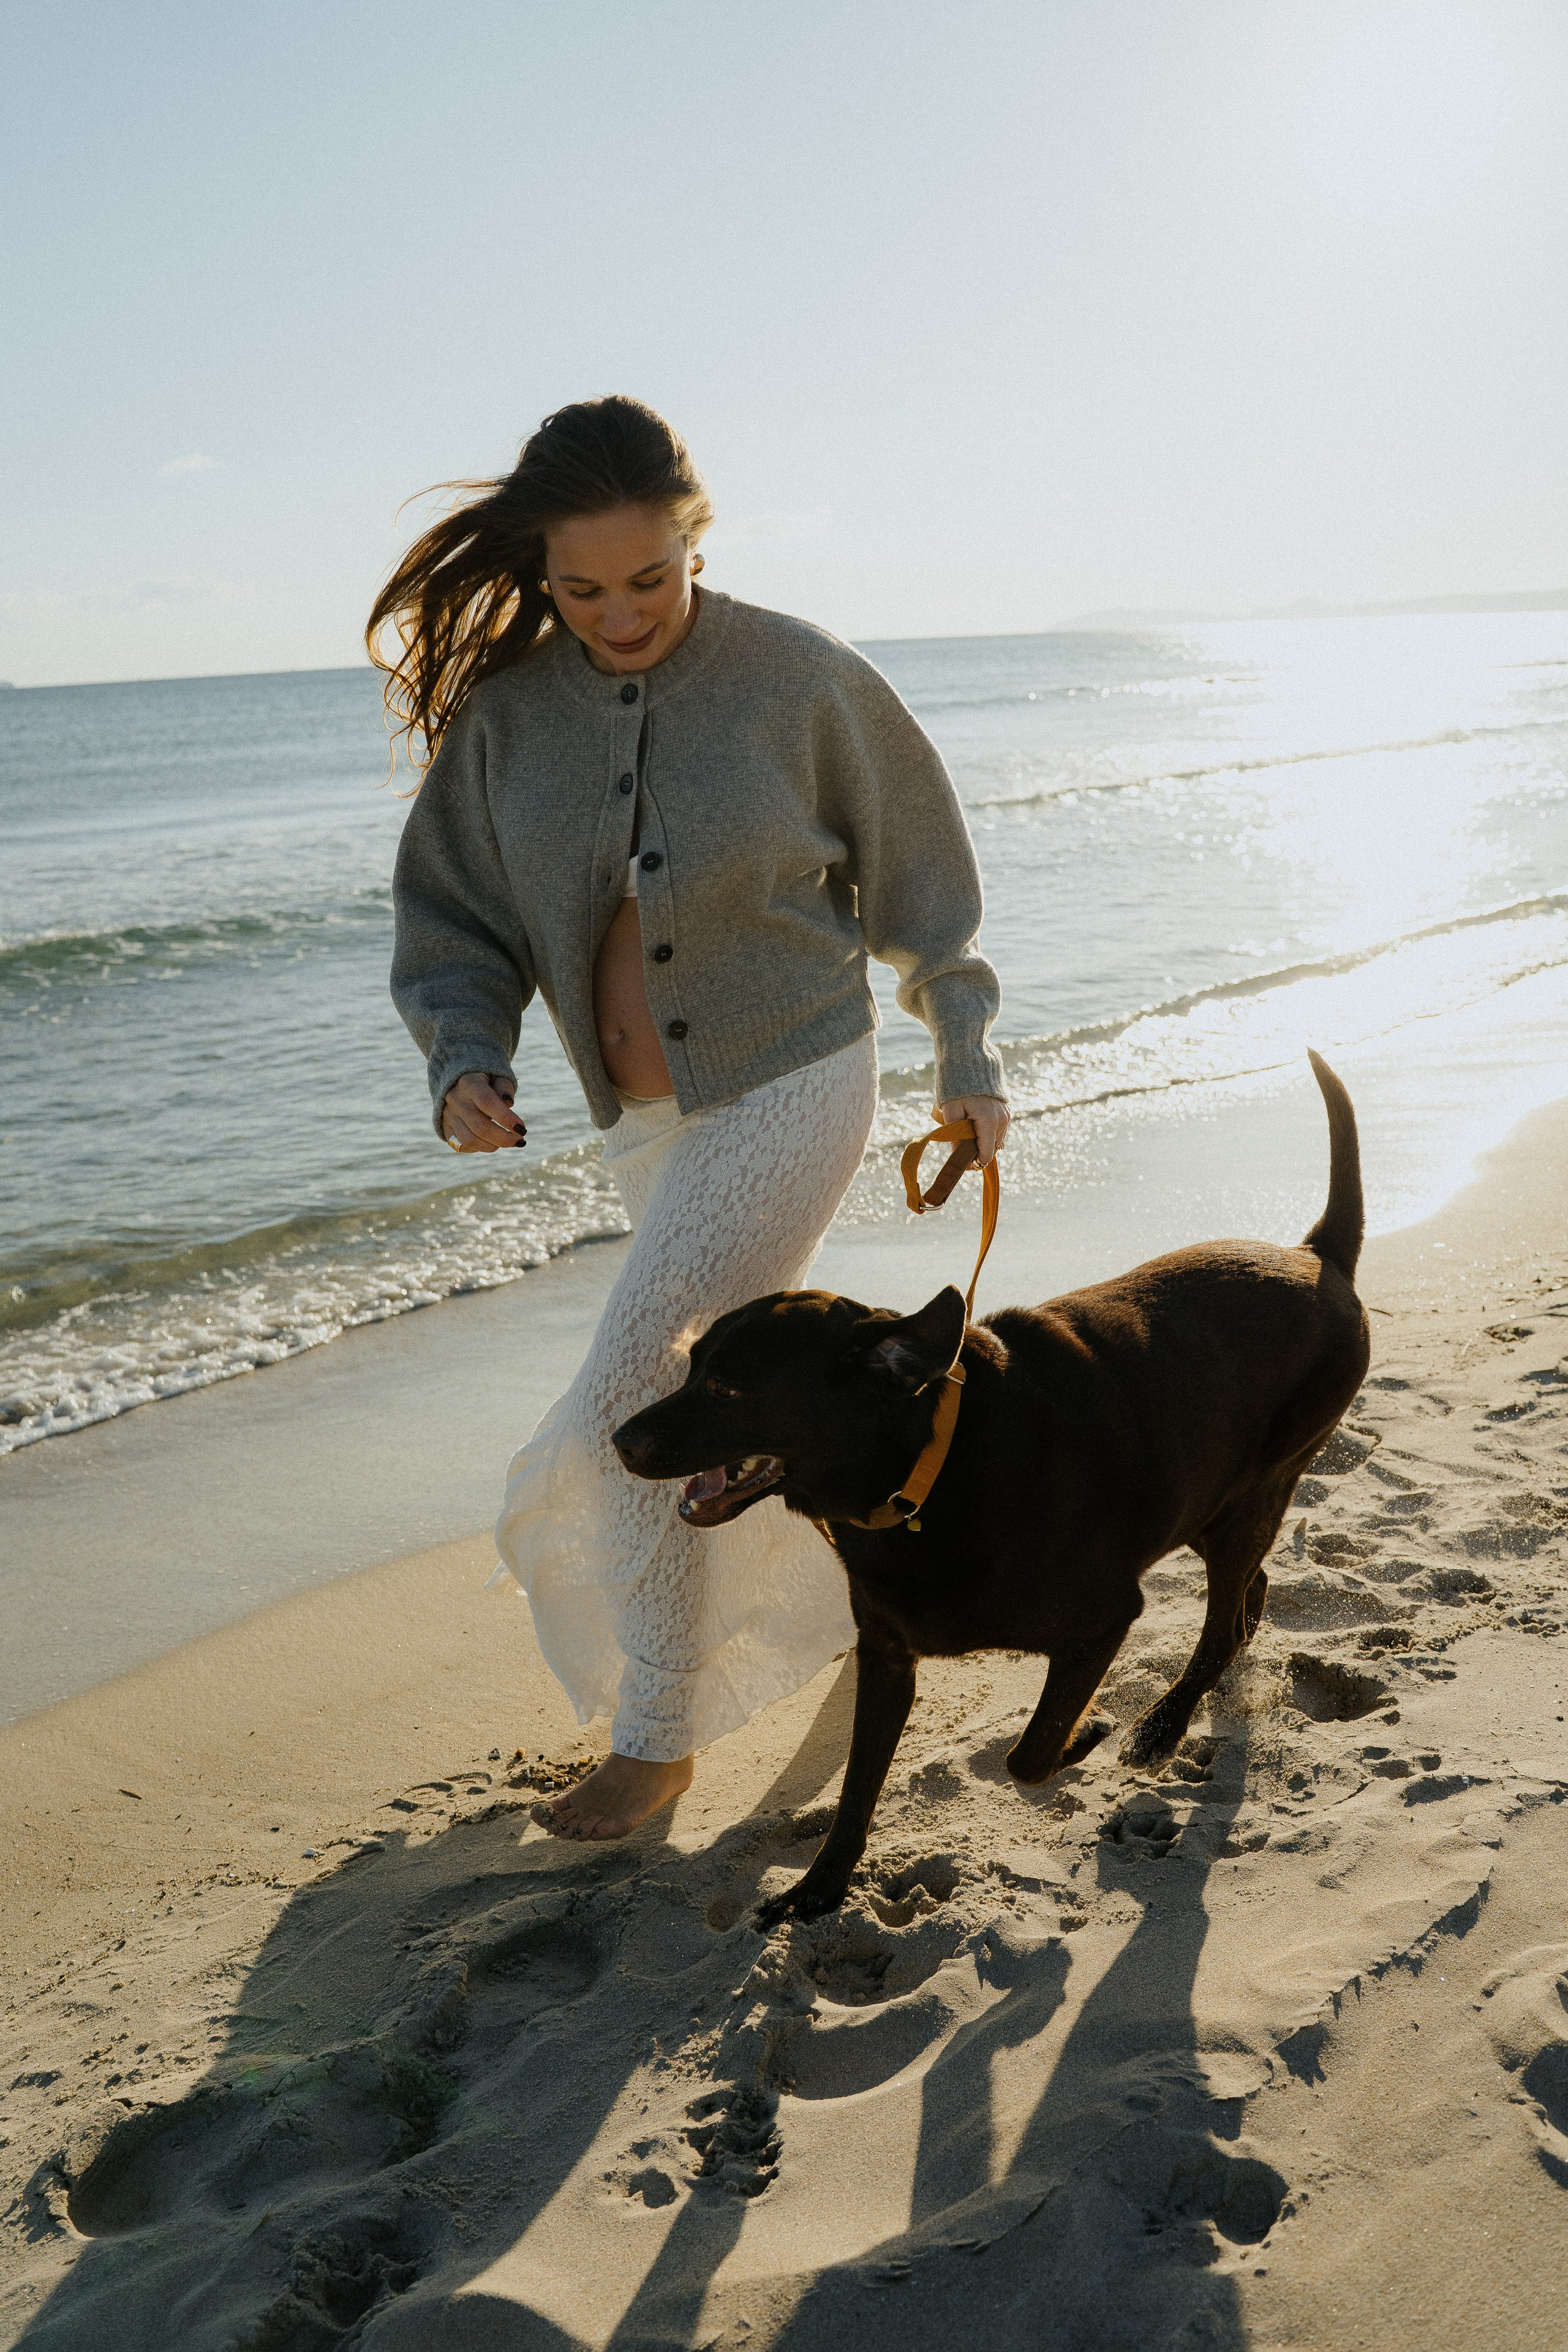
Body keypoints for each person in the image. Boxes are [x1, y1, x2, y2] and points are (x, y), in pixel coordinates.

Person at [374, 396, 1008, 1841]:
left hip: (793, 1080)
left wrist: (961, 1058)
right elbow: (450, 921)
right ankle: (864, 1601)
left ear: (694, 539)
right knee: (753, 1403)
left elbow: (922, 885)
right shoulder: (508, 721)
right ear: (540, 572)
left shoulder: (797, 679)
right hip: (639, 1132)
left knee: (632, 1403)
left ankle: (656, 1739)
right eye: (580, 588)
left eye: (648, 579)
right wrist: (461, 1058)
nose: (618, 614)